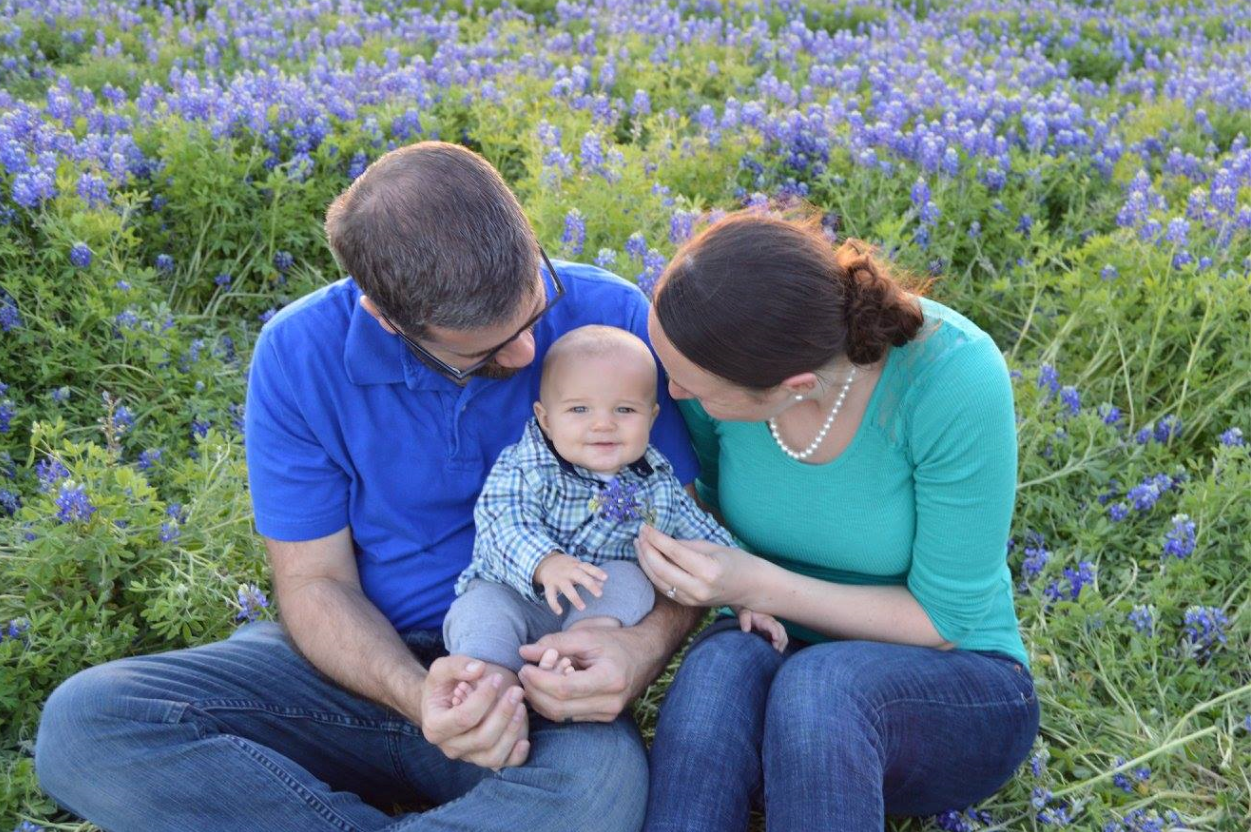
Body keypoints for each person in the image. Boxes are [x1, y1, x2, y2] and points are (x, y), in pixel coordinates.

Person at [34, 141, 704, 832]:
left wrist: (639, 647)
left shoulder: (610, 319)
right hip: (358, 672)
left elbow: (686, 529)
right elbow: (315, 581)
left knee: (595, 792)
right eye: (481, 351)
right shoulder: (299, 354)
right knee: (88, 724)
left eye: (533, 314)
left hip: (539, 670)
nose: (526, 355)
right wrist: (418, 696)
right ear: (387, 319)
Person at [634, 208, 1039, 830]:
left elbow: (945, 620)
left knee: (821, 688)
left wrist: (754, 584)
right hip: (771, 634)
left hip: (956, 676)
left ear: (794, 385)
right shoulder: (708, 364)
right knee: (715, 675)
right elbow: (709, 507)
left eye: (694, 387)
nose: (675, 394)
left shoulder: (952, 377)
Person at [444, 325, 785, 694]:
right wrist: (547, 562)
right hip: (516, 595)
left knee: (626, 578)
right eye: (579, 409)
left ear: (652, 418)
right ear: (546, 418)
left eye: (624, 409)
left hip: (593, 608)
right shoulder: (527, 465)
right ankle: (489, 682)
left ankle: (581, 653)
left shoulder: (655, 480)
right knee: (480, 609)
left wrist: (743, 595)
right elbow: (501, 521)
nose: (603, 423)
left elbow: (701, 534)